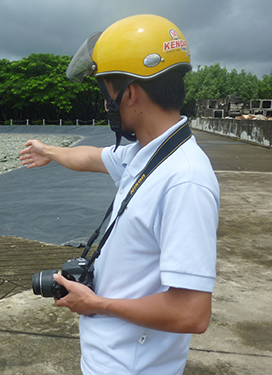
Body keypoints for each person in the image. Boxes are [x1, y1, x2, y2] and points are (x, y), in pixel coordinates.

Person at [19, 14, 219, 375]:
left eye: (104, 91)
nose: (104, 103)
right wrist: (49, 152)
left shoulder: (184, 180)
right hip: (113, 360)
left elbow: (192, 312)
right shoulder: (151, 154)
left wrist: (97, 303)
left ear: (129, 93)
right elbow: (91, 157)